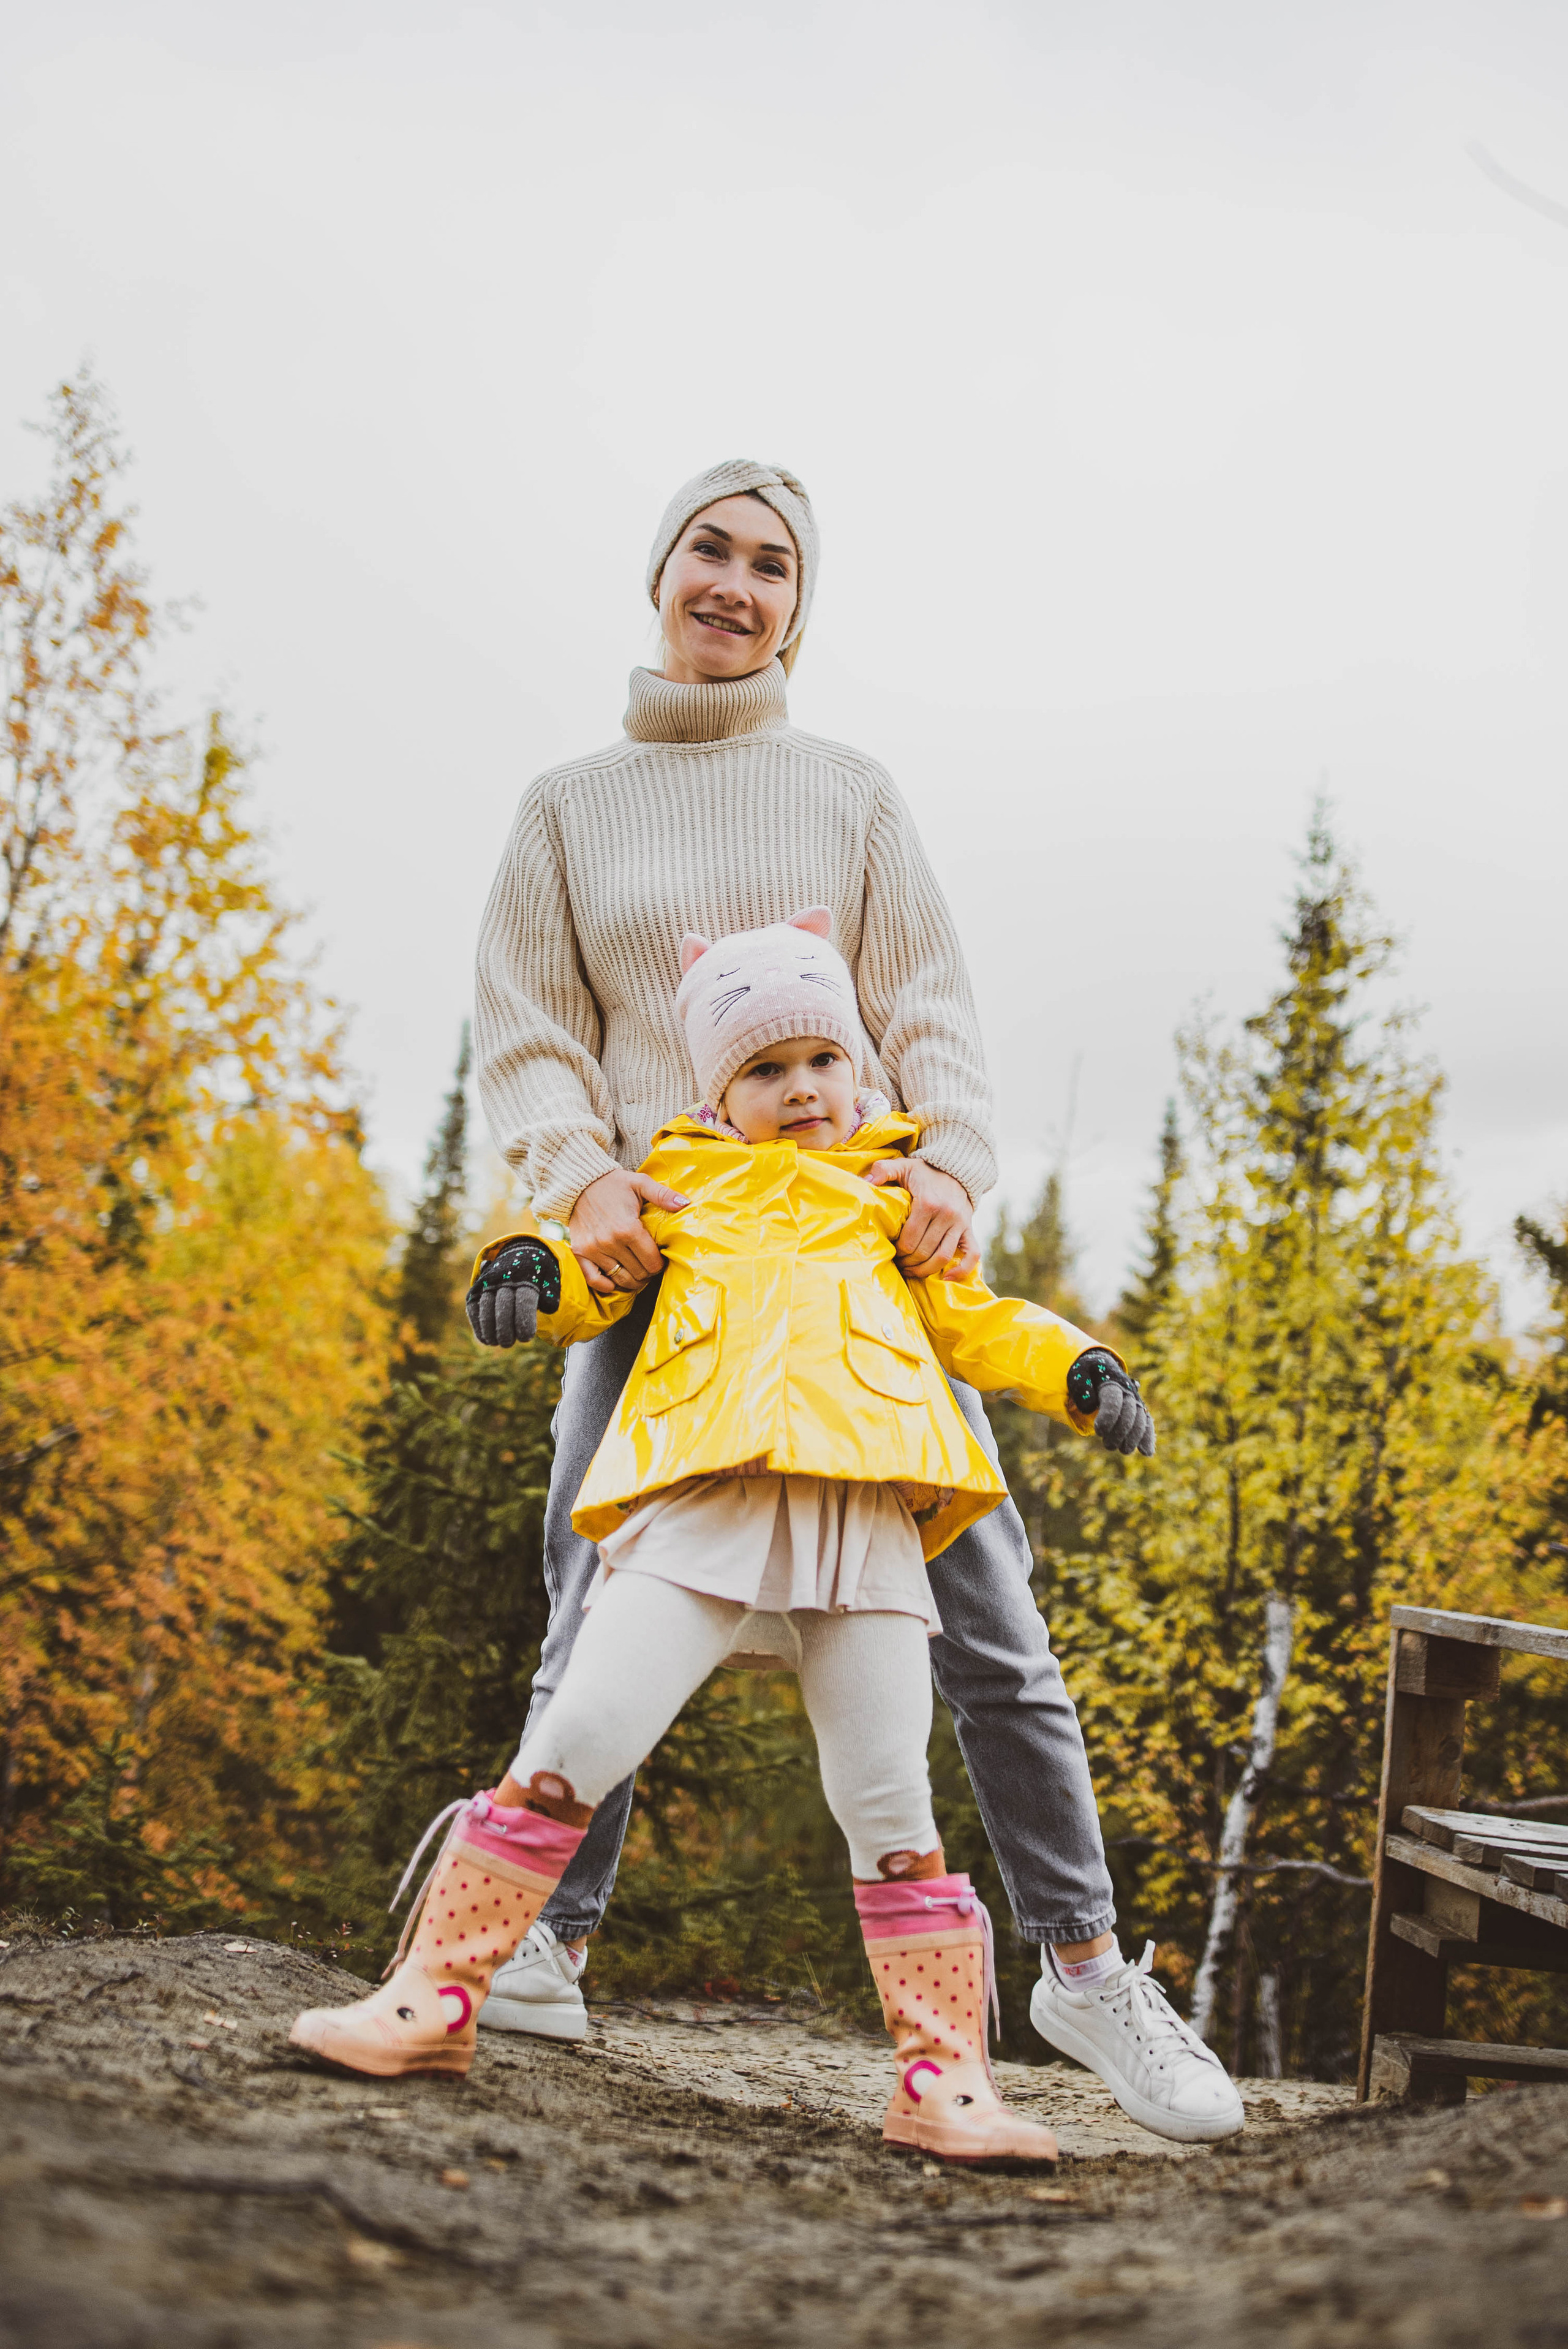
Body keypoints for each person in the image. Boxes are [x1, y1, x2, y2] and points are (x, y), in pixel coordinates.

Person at [466, 460, 1242, 2143]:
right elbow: (524, 1026)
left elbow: (930, 1002)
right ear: (658, 571)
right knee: (590, 1588)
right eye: (708, 551)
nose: (734, 584)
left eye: (771, 564)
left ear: (800, 606)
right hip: (665, 1268)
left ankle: (1086, 1969)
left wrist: (952, 1165)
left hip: (861, 1280)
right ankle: (540, 1945)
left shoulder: (850, 793)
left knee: (990, 1620)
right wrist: (583, 1180)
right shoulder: (566, 808)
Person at [292, 913, 1156, 2165]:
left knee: (890, 1805)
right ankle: (430, 1996)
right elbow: (593, 1273)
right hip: (701, 1503)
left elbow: (978, 1324)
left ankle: (942, 2083)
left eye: (820, 1060)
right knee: (575, 1739)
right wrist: (530, 1270)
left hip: (866, 1519)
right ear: (720, 1092)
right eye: (762, 1069)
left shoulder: (891, 1207)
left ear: (859, 1072)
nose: (799, 1088)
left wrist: (1077, 1365)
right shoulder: (681, 1192)